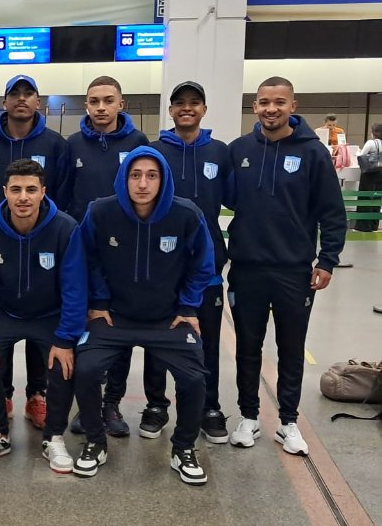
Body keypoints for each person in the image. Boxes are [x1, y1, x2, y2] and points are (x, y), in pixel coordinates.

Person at [75, 147, 213, 485]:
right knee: (85, 369)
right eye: (135, 175)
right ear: (124, 178)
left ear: (163, 179)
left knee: (195, 378)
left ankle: (183, 448)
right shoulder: (99, 212)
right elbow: (86, 259)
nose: (142, 184)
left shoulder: (186, 214)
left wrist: (186, 306)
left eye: (151, 176)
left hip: (166, 319)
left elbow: (203, 264)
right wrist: (100, 302)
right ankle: (95, 441)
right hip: (114, 318)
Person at [227, 77, 347, 455]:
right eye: (264, 102)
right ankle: (248, 416)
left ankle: (288, 422)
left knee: (291, 347)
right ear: (254, 107)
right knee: (247, 346)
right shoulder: (240, 150)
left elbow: (332, 212)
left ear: (293, 106)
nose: (271, 109)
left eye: (279, 102)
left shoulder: (312, 153)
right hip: (247, 268)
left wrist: (326, 259)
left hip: (294, 271)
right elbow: (224, 198)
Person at [0, 159, 86, 471]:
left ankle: (54, 438)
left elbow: (75, 288)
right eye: (16, 189)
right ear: (4, 191)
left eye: (31, 190)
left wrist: (65, 337)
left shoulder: (65, 228)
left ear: (43, 192)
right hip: (6, 311)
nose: (23, 197)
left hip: (50, 314)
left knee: (64, 361)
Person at [0, 74, 70, 430]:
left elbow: (60, 187)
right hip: (0, 238)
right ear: (4, 102)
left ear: (38, 101)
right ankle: (2, 394)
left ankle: (37, 395)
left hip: (44, 238)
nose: (20, 99)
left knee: (38, 315)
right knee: (5, 311)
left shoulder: (54, 143)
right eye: (13, 93)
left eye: (27, 93)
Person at [62, 75, 149, 437]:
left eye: (108, 100)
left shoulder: (137, 142)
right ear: (87, 105)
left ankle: (112, 404)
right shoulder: (72, 145)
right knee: (86, 330)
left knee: (120, 329)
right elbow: (64, 198)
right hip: (84, 252)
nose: (101, 107)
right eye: (94, 101)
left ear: (120, 104)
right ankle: (87, 406)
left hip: (124, 253)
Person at [147, 81, 233, 444]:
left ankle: (208, 406)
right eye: (179, 103)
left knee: (205, 340)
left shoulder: (220, 151)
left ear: (204, 109)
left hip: (206, 266)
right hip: (160, 265)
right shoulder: (152, 151)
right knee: (156, 339)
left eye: (194, 102)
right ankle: (155, 403)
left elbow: (235, 200)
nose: (187, 108)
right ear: (170, 110)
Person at [354, 123, 382, 232]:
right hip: (380, 173)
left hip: (369, 174)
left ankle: (363, 226)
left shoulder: (371, 143)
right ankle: (374, 225)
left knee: (365, 198)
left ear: (373, 132)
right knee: (376, 198)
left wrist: (357, 152)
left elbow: (362, 155)